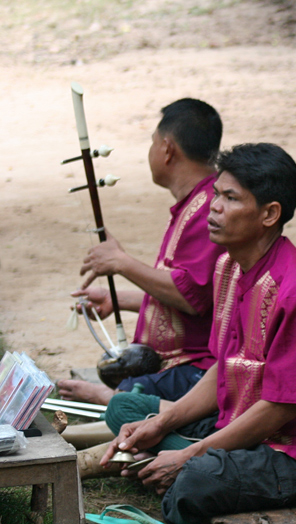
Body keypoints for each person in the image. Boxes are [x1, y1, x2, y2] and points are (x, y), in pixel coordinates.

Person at [94, 143, 296, 524]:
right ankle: (174, 457)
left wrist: (189, 457)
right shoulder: (231, 268)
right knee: (128, 411)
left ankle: (179, 465)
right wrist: (164, 423)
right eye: (216, 194)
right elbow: (224, 368)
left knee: (196, 482)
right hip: (240, 424)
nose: (213, 207)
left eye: (230, 198)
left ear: (270, 214)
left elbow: (280, 409)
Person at [58, 98, 226, 405]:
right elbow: (201, 293)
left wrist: (122, 263)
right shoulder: (196, 202)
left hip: (195, 370)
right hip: (178, 363)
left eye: (152, 143)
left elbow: (193, 296)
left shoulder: (207, 208)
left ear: (166, 148)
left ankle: (111, 401)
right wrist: (117, 299)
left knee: (121, 402)